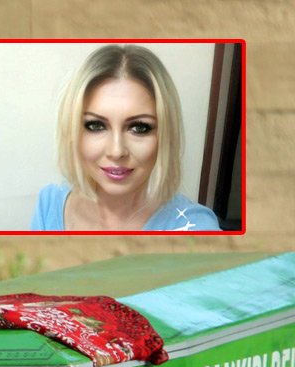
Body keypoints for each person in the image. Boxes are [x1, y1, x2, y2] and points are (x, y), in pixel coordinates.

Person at [31, 45, 222, 231]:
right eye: (96, 126)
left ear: (164, 135)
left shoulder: (195, 227)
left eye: (139, 127)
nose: (116, 151)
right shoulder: (49, 205)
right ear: (72, 131)